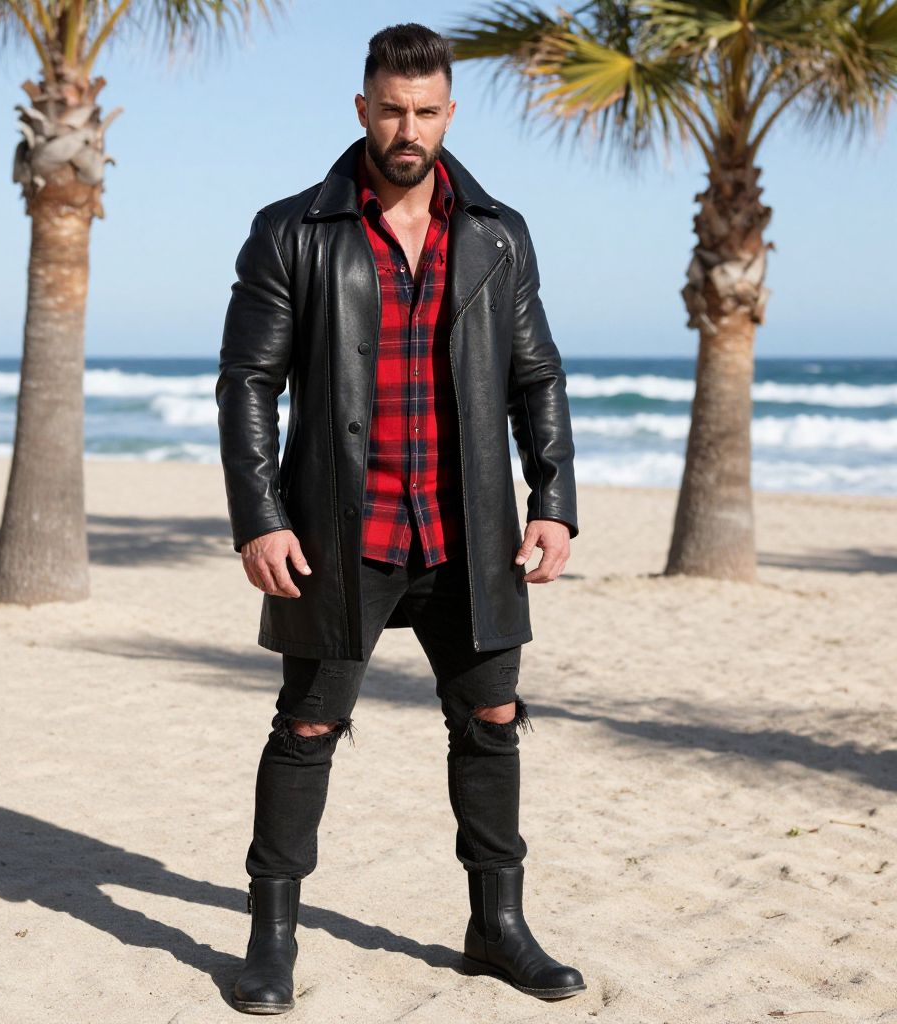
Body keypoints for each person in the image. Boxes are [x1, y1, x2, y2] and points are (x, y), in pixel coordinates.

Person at [216, 21, 584, 1014]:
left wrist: (552, 498)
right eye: (389, 109)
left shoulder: (497, 231)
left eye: (425, 112)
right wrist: (258, 514)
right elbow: (248, 381)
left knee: (492, 719)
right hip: (342, 531)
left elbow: (535, 374)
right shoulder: (292, 230)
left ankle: (494, 926)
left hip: (467, 531)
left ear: (449, 112)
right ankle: (273, 936)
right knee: (307, 722)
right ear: (361, 108)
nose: (406, 129)